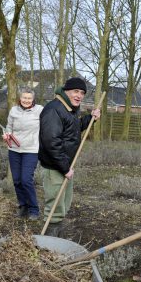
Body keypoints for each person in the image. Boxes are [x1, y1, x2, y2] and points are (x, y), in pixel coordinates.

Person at [38, 77, 100, 237]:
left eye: (82, 93)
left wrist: (90, 119)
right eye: (75, 91)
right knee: (55, 207)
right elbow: (51, 142)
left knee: (63, 205)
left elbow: (73, 128)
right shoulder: (54, 109)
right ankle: (49, 243)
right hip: (56, 167)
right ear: (66, 91)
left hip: (65, 165)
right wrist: (65, 167)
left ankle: (56, 239)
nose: (79, 95)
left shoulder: (69, 109)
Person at [3, 87, 44, 220]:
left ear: (33, 99)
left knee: (26, 180)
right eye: (24, 98)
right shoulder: (14, 110)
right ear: (20, 98)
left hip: (31, 150)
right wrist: (7, 134)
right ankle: (23, 206)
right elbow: (9, 127)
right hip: (14, 150)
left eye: (29, 98)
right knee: (17, 181)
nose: (26, 100)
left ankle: (34, 209)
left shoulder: (39, 110)